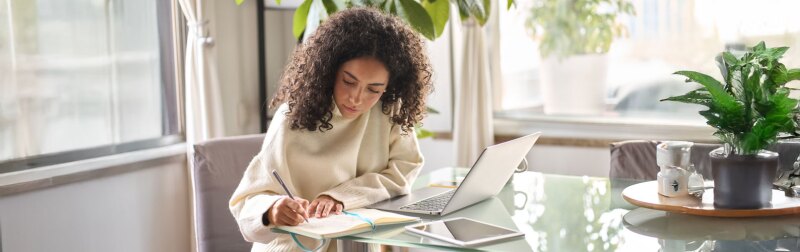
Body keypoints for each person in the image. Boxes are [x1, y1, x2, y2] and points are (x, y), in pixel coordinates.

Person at [229, 7, 433, 251]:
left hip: (360, 242)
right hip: (296, 246)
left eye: (374, 89)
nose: (356, 98)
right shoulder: (291, 117)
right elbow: (246, 203)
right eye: (349, 81)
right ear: (329, 69)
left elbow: (403, 172)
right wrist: (272, 210)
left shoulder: (388, 112)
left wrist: (340, 196)